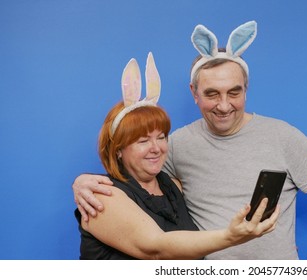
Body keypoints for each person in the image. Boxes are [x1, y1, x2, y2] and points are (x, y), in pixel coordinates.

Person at [73, 21, 307, 260]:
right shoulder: (176, 145)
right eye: (212, 94)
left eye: (234, 92)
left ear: (246, 90)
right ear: (194, 93)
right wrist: (83, 184)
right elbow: (132, 180)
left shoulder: (282, 136)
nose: (224, 105)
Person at [74, 52, 279, 260]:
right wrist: (231, 236)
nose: (156, 148)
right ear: (118, 149)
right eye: (143, 141)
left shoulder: (174, 188)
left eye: (161, 137)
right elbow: (156, 249)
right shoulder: (100, 197)